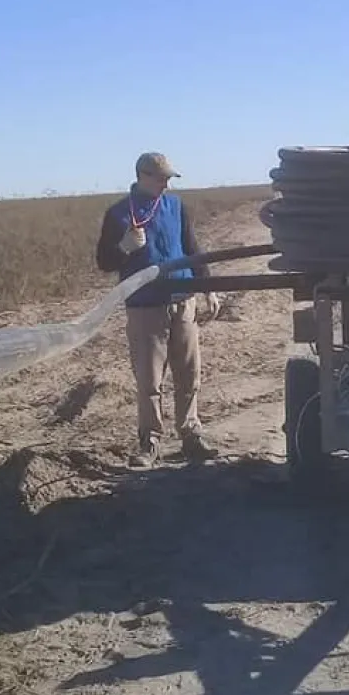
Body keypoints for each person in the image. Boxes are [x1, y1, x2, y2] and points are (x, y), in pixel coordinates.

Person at [96, 152, 221, 469]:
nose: (166, 183)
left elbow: (192, 249)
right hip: (145, 307)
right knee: (150, 381)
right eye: (161, 177)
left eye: (168, 178)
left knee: (189, 373)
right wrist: (124, 247)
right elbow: (104, 262)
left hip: (183, 301)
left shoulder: (176, 207)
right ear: (142, 175)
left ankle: (191, 436)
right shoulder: (118, 214)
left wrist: (208, 290)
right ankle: (149, 441)